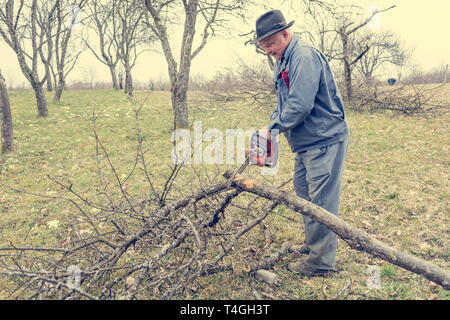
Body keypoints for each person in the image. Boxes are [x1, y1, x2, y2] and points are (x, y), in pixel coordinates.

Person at [250, 10, 350, 277]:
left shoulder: (303, 56)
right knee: (305, 194)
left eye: (270, 43)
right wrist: (267, 127)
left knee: (321, 202)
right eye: (263, 46)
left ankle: (321, 263)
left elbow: (300, 104)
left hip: (323, 139)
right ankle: (313, 245)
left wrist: (271, 129)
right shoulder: (283, 59)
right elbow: (284, 102)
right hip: (306, 142)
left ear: (285, 33)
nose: (268, 49)